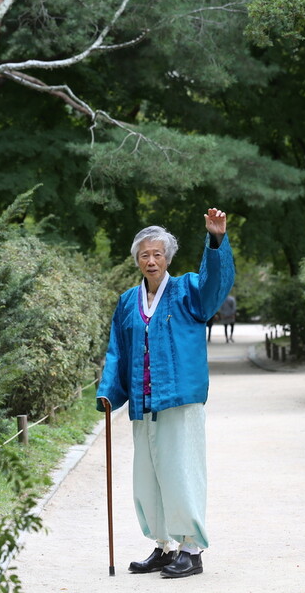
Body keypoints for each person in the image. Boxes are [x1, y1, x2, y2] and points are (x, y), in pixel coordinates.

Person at [96, 208, 234, 579]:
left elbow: (214, 284)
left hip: (179, 400)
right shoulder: (127, 301)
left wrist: (216, 240)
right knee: (148, 476)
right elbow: (117, 350)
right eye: (144, 254)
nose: (151, 260)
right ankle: (163, 546)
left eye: (157, 253)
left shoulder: (189, 290)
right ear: (137, 260)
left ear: (168, 258)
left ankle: (192, 549)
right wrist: (109, 392)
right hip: (143, 401)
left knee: (181, 473)